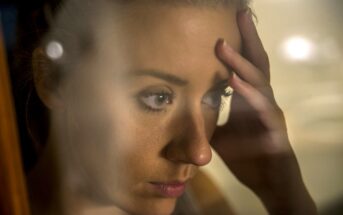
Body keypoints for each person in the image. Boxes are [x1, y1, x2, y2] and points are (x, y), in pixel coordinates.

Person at [12, 0, 318, 214]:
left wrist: (286, 197)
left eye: (215, 96)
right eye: (157, 97)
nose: (200, 154)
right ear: (53, 78)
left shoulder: (199, 198)